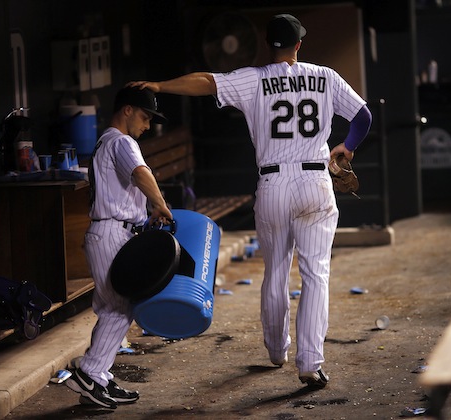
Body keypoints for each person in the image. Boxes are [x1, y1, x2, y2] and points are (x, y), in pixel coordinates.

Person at [128, 13, 372, 389]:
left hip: (272, 183)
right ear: (298, 45)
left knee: (275, 271)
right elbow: (363, 116)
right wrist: (347, 146)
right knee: (315, 274)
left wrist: (159, 85)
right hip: (314, 181)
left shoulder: (253, 78)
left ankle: (277, 350)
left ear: (267, 45)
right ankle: (311, 363)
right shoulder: (325, 76)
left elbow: (207, 82)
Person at [64, 86, 173, 408]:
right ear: (126, 110)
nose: (147, 125)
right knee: (120, 306)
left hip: (112, 232)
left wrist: (146, 211)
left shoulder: (105, 142)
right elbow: (141, 173)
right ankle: (90, 371)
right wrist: (160, 205)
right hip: (111, 233)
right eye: (144, 116)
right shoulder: (121, 141)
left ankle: (97, 379)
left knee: (114, 307)